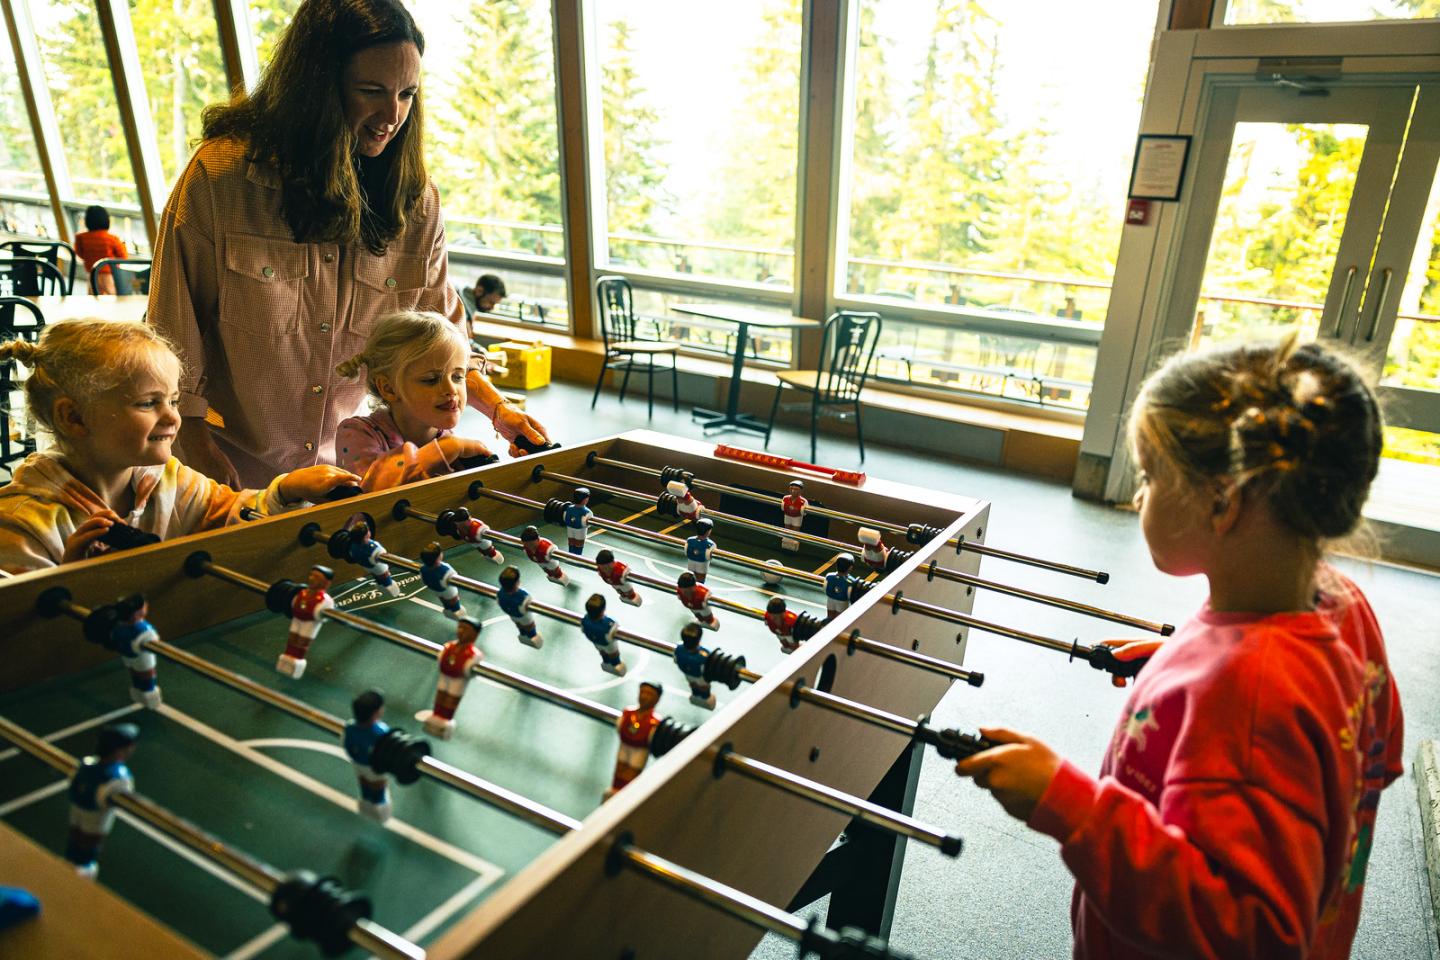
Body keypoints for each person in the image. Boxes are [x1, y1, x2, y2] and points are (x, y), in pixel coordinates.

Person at [953, 338, 1405, 960]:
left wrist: (1069, 804)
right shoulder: (1339, 602)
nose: (1139, 496)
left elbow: (1249, 936)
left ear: (1222, 502)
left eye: (1149, 474)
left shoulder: (1245, 689)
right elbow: (1362, 761)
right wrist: (1182, 669)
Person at [149, 0, 548, 490]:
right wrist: (196, 449)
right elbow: (169, 340)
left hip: (344, 474)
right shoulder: (221, 177)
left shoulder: (414, 200)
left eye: (407, 94)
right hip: (229, 473)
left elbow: (443, 335)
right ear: (316, 88)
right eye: (371, 92)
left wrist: (500, 411)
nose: (392, 115)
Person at [0, 320, 358, 573]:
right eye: (147, 403)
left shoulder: (167, 477)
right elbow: (22, 637)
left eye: (172, 400)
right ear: (74, 418)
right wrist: (73, 579)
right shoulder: (22, 526)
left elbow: (228, 512)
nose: (173, 419)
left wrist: (287, 488)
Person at [335, 311, 496, 490]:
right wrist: (443, 451)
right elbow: (368, 487)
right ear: (389, 389)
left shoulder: (450, 440)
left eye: (457, 377)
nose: (451, 390)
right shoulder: (357, 433)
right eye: (431, 380)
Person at [66, 723, 139, 878]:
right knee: (86, 850)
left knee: (76, 843)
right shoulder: (119, 778)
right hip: (93, 828)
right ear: (121, 749)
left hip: (77, 821)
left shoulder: (85, 764)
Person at [422, 617, 483, 740]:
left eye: (465, 629)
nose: (461, 631)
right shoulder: (450, 646)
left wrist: (466, 668)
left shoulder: (472, 653)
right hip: (445, 675)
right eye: (460, 627)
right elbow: (442, 656)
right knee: (440, 695)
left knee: (451, 699)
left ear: (475, 635)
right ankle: (436, 716)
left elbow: (469, 666)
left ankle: (444, 722)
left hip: (458, 679)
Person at [342, 690, 393, 822]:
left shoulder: (350, 727)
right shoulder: (381, 732)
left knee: (363, 782)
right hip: (375, 767)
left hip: (358, 764)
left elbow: (346, 744)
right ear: (375, 713)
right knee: (378, 786)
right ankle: (380, 809)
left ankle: (366, 802)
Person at [277, 565, 335, 678]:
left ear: (326, 583)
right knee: (292, 639)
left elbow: (323, 613)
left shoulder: (325, 600)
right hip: (297, 619)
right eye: (311, 575)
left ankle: (296, 664)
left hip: (309, 623)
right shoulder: (302, 593)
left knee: (302, 642)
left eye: (317, 577)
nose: (312, 578)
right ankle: (286, 660)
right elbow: (294, 602)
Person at [73, 205, 128, 295]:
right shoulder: (112, 238)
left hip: (92, 273)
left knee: (93, 297)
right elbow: (123, 256)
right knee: (112, 296)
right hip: (109, 274)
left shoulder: (80, 237)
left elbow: (79, 254)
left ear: (87, 220)